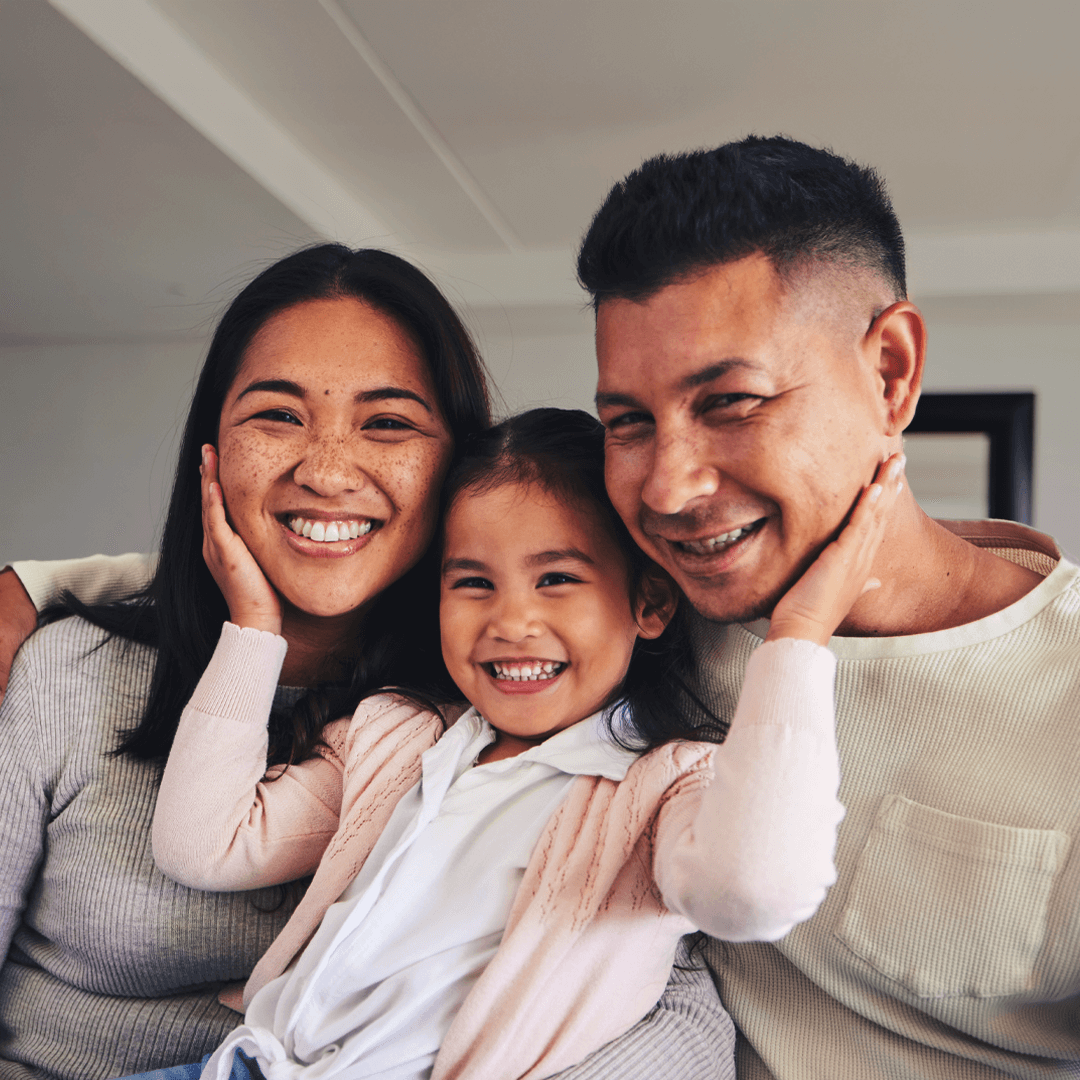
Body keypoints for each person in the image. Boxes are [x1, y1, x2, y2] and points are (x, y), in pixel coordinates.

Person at [0, 245, 734, 1080]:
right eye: (277, 415)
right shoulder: (64, 672)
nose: (326, 470)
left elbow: (661, 990)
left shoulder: (493, 716)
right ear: (212, 448)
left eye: (387, 422)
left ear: (458, 467)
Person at [118, 408, 901, 1080]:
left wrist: (800, 636)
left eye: (556, 579)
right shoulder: (394, 737)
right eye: (473, 582)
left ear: (650, 600)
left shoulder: (662, 792)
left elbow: (753, 891)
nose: (510, 621)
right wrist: (255, 629)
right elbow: (202, 845)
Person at [577, 136, 1080, 1077]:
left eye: (730, 402)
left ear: (890, 371)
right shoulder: (628, 621)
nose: (669, 488)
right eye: (628, 423)